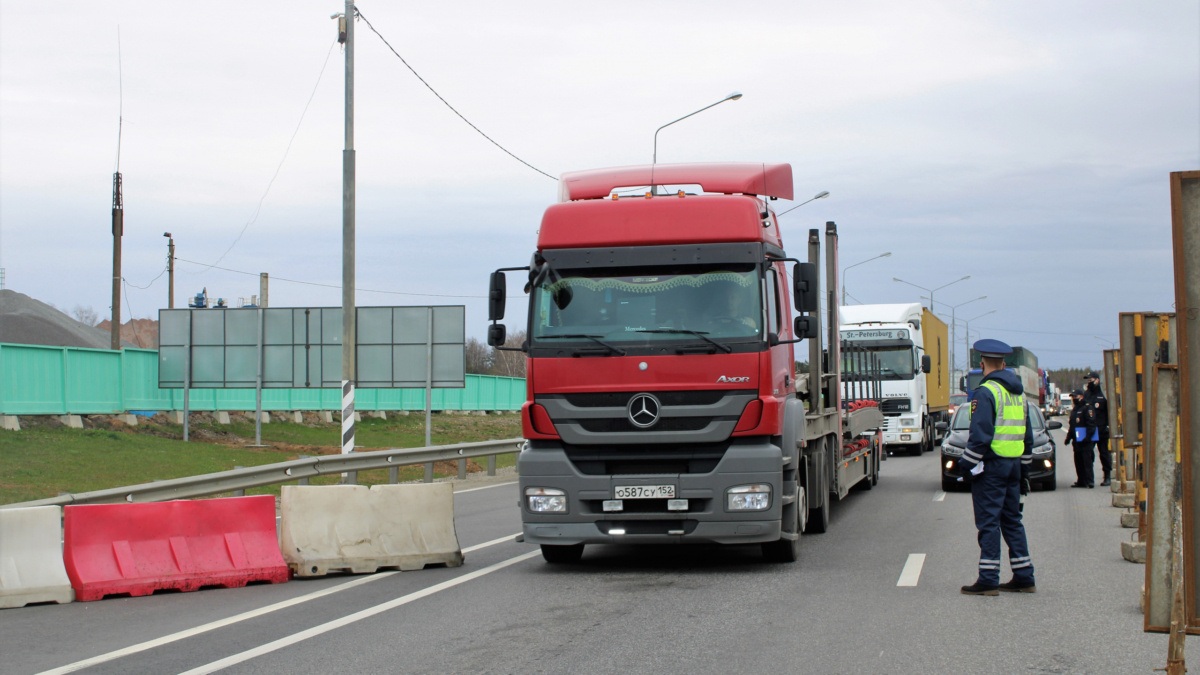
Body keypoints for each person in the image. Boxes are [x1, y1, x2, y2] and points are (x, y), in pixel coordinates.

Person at [955, 339, 1036, 595]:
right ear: (1003, 364)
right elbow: (1027, 438)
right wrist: (1024, 473)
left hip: (991, 467)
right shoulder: (1019, 394)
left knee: (989, 523)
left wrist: (965, 466)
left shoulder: (986, 392)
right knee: (1012, 521)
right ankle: (1024, 576)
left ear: (982, 365)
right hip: (1014, 466)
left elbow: (980, 436)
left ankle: (988, 579)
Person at [1064, 388, 1098, 488]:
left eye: (1076, 396)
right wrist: (1068, 438)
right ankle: (1081, 481)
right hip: (1077, 440)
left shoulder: (1087, 408)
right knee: (1078, 462)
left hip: (1086, 441)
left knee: (1087, 461)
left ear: (1081, 396)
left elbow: (1091, 424)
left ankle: (1089, 481)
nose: (1074, 398)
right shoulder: (1075, 410)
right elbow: (1072, 425)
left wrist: (1087, 437)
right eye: (1073, 397)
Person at [1083, 370, 1111, 486]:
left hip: (1102, 429)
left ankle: (1107, 476)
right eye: (1088, 380)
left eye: (1091, 380)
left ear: (1097, 380)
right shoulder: (1087, 394)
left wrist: (1108, 426)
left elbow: (1109, 412)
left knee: (1104, 453)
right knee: (1088, 453)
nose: (1089, 382)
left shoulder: (1103, 393)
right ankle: (1089, 479)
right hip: (1090, 429)